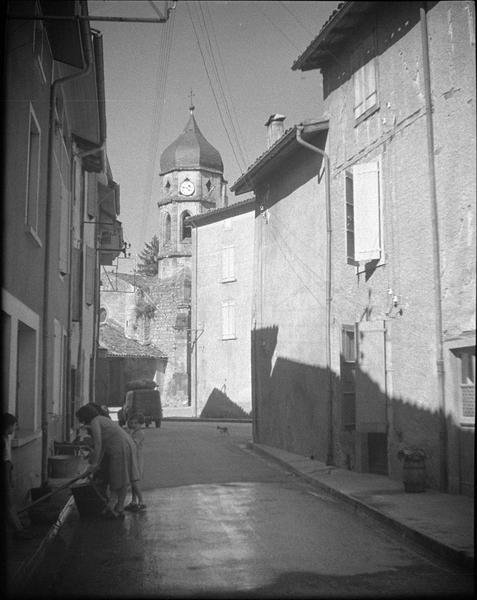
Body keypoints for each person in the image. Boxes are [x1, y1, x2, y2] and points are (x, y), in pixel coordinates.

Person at [76, 403, 140, 519]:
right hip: (125, 445)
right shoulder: (101, 419)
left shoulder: (95, 422)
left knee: (119, 478)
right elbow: (102, 447)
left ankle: (118, 508)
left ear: (84, 416)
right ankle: (113, 507)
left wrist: (93, 465)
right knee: (120, 478)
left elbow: (98, 444)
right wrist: (95, 464)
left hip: (120, 448)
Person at [2, 413, 34, 539]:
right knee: (9, 504)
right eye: (14, 425)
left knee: (9, 504)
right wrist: (8, 481)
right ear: (7, 426)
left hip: (7, 470)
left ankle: (18, 528)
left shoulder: (5, 438)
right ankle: (19, 531)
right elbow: (5, 463)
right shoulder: (2, 440)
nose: (15, 428)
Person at [124, 413, 146, 512]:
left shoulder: (139, 433)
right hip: (133, 458)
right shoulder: (133, 432)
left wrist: (127, 436)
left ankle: (141, 501)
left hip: (136, 459)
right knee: (133, 481)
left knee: (135, 480)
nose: (133, 425)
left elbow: (133, 443)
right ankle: (133, 501)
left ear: (141, 423)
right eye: (131, 423)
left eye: (136, 423)